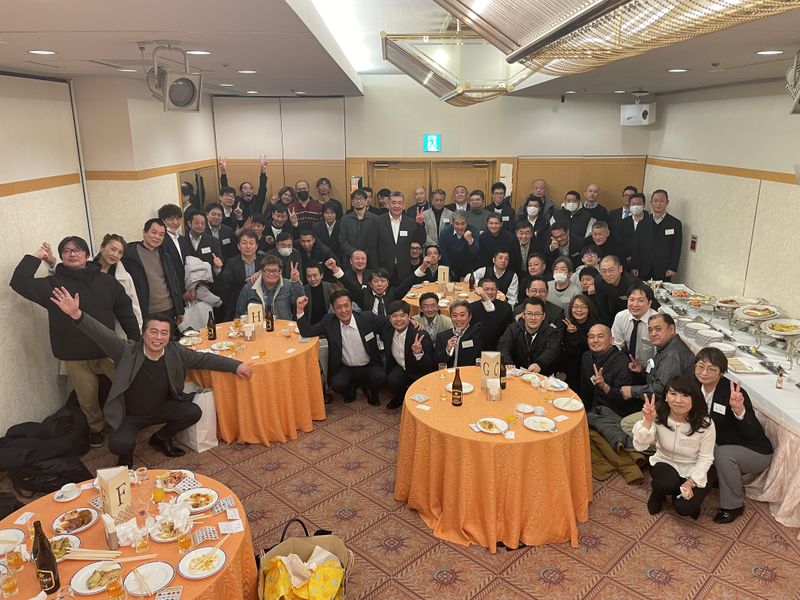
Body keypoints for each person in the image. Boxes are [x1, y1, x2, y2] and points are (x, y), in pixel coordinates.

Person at [50, 287, 252, 467]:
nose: (158, 337)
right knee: (118, 445)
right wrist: (76, 314)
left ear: (169, 336)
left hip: (161, 409)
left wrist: (236, 365)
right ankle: (127, 454)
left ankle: (161, 438)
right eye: (153, 332)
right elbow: (101, 334)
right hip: (130, 416)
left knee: (192, 411)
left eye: (164, 333)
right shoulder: (126, 351)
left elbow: (204, 359)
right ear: (143, 334)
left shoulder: (175, 351)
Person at [11, 238, 140, 447]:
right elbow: (19, 282)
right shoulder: (53, 284)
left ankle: (128, 422)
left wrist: (136, 340)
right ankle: (96, 429)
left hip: (107, 348)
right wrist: (37, 257)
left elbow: (125, 311)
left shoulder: (106, 281)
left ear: (87, 254)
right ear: (61, 256)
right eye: (67, 251)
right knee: (87, 397)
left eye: (78, 250)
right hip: (75, 353)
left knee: (128, 385)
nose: (72, 254)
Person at [693, 348, 773, 524]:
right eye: (700, 366)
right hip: (720, 443)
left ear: (721, 372)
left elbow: (752, 432)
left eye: (711, 369)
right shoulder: (693, 385)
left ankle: (733, 506)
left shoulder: (732, 393)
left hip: (753, 450)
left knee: (723, 454)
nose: (704, 373)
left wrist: (739, 411)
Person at [633, 376, 716, 518]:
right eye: (673, 394)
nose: (678, 400)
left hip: (693, 467)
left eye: (685, 395)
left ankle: (683, 494)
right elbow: (640, 446)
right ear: (666, 396)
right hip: (664, 462)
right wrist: (647, 421)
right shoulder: (658, 414)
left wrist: (691, 482)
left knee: (684, 508)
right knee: (667, 483)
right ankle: (658, 493)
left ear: (694, 399)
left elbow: (705, 458)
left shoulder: (705, 424)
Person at [296, 290, 385, 405]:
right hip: (346, 367)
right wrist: (300, 310)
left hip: (369, 364)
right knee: (337, 384)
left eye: (346, 306)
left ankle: (371, 391)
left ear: (352, 305)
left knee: (380, 377)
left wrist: (405, 321)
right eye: (338, 307)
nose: (343, 310)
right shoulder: (328, 322)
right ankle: (350, 391)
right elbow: (307, 332)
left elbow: (387, 323)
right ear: (333, 309)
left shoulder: (367, 318)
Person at [620, 313, 696, 433]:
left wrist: (632, 391)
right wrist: (642, 370)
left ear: (672, 329)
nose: (653, 334)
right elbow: (661, 374)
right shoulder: (668, 346)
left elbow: (662, 389)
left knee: (626, 424)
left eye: (658, 329)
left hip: (671, 409)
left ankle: (658, 441)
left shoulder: (672, 355)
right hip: (662, 403)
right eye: (650, 330)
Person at [123, 219, 185, 326]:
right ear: (144, 232)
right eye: (154, 232)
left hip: (169, 309)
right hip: (146, 312)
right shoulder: (130, 254)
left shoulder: (165, 255)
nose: (157, 237)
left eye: (161, 234)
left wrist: (179, 309)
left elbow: (174, 282)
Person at [382, 300, 434, 409]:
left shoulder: (420, 335)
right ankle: (400, 396)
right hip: (401, 367)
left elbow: (429, 365)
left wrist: (418, 353)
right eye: (394, 316)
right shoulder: (387, 328)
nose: (398, 319)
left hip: (418, 370)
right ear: (389, 318)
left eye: (402, 316)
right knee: (392, 381)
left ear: (409, 317)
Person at [579, 324, 634, 414]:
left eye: (600, 336)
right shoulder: (587, 357)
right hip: (590, 410)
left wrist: (604, 386)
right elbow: (584, 390)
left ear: (611, 340)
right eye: (591, 337)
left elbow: (624, 399)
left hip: (613, 413)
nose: (595, 340)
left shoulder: (622, 362)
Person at [498, 297, 560, 374]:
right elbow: (503, 346)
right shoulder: (513, 328)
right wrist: (507, 362)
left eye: (537, 314)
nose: (533, 318)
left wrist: (539, 364)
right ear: (523, 315)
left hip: (542, 376)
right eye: (529, 313)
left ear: (543, 316)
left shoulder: (552, 332)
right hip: (516, 374)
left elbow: (552, 350)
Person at [93, 234, 143, 331]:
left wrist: (138, 329)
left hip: (116, 327)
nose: (115, 255)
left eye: (120, 252)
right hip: (92, 324)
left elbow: (134, 305)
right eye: (113, 249)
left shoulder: (124, 277)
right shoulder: (86, 270)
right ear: (102, 248)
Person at [376, 191, 427, 285]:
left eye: (400, 203)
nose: (397, 206)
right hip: (383, 270)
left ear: (404, 206)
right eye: (394, 203)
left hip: (404, 270)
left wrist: (419, 224)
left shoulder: (410, 222)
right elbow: (372, 247)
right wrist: (375, 268)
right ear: (388, 204)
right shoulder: (378, 221)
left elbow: (421, 240)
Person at [634, 189, 683, 281]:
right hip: (643, 268)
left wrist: (673, 267)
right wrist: (634, 266)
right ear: (651, 202)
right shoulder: (643, 222)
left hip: (664, 269)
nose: (658, 204)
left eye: (661, 201)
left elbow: (676, 247)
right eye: (655, 201)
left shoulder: (675, 223)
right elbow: (636, 246)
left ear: (667, 202)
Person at [235, 255, 303, 320]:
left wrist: (295, 282)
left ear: (281, 271)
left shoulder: (287, 285)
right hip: (257, 326)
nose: (271, 274)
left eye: (275, 271)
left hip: (283, 326)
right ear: (261, 271)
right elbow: (239, 314)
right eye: (267, 270)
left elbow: (300, 302)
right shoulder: (249, 288)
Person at [217, 229, 264, 321]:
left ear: (256, 246)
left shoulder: (264, 261)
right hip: (238, 302)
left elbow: (274, 272)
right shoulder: (232, 263)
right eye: (244, 243)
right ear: (238, 246)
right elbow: (224, 282)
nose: (248, 246)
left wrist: (261, 272)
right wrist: (218, 269)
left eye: (251, 243)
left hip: (261, 301)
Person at [611, 283, 658, 374]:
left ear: (649, 303)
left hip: (651, 369)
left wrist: (646, 370)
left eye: (640, 300)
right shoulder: (621, 317)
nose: (635, 304)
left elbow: (660, 354)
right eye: (631, 300)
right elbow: (616, 345)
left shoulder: (657, 322)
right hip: (627, 365)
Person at [560, 294, 599, 391]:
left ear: (589, 309)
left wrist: (577, 333)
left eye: (583, 307)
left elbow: (590, 349)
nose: (579, 310)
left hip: (591, 367)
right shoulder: (567, 325)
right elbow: (569, 351)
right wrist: (572, 334)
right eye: (576, 306)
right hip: (572, 369)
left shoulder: (596, 326)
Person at [594, 255, 647, 325]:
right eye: (603, 271)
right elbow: (601, 306)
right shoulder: (599, 281)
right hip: (612, 313)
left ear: (620, 269)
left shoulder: (632, 283)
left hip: (633, 314)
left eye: (611, 270)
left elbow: (642, 305)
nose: (608, 274)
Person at [433, 300, 482, 368]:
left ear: (470, 317)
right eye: (454, 315)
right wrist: (447, 350)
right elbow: (436, 362)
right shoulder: (442, 336)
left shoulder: (477, 334)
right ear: (450, 317)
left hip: (469, 373)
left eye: (462, 315)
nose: (458, 319)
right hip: (447, 373)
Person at [469, 279, 514, 351]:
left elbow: (509, 331)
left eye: (493, 289)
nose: (489, 292)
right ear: (480, 291)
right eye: (486, 289)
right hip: (476, 348)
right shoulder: (472, 307)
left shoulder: (506, 307)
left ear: (497, 291)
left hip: (499, 347)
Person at [339, 189, 379, 265]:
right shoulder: (345, 219)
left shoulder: (375, 219)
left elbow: (376, 241)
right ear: (352, 202)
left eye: (361, 199)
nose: (358, 201)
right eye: (355, 199)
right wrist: (355, 253)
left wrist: (363, 255)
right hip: (349, 259)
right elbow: (343, 241)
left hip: (370, 259)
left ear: (366, 201)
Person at [439, 210, 480, 279]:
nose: (460, 227)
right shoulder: (445, 233)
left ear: (467, 222)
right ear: (452, 223)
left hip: (470, 268)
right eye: (457, 224)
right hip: (451, 269)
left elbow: (475, 252)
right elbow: (444, 254)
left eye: (463, 224)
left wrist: (470, 241)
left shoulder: (474, 230)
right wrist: (449, 271)